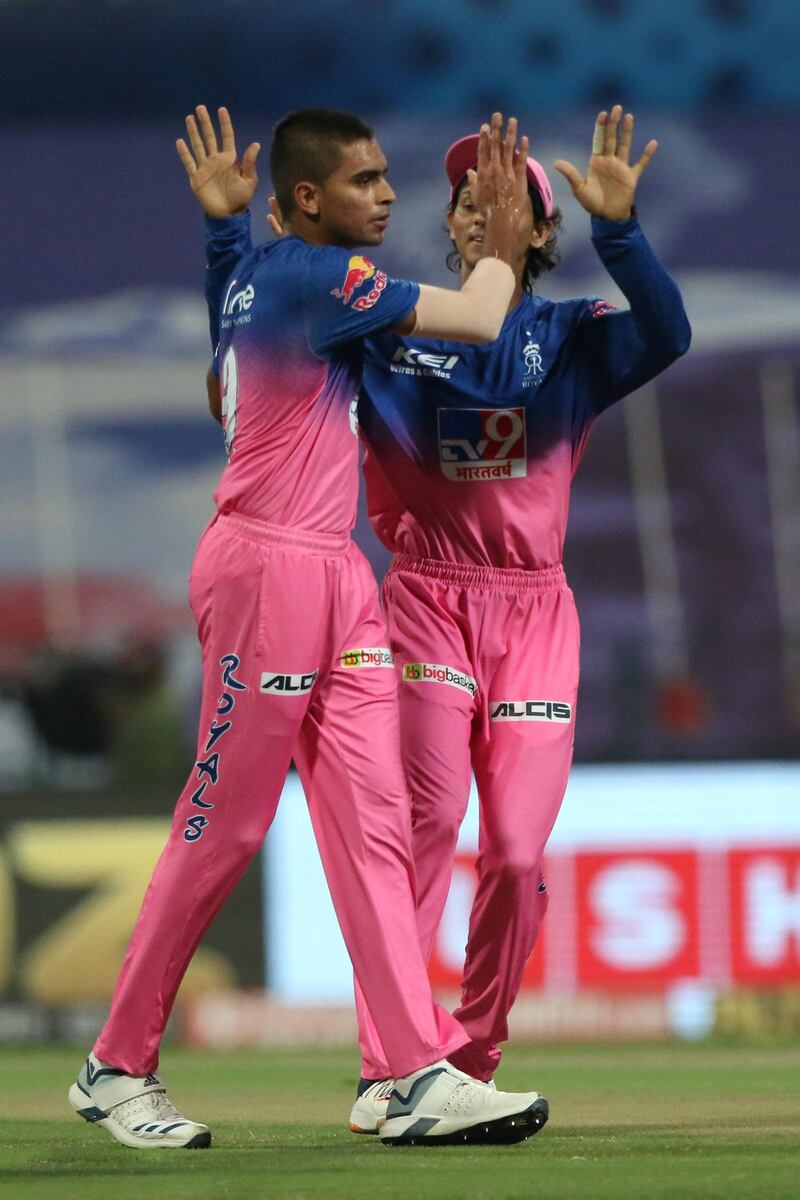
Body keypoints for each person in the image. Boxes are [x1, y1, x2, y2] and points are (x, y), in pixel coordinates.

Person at [68, 105, 553, 1151]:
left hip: (337, 574)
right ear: (304, 200)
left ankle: (409, 1072)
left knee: (376, 827)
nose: (386, 195)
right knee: (227, 825)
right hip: (265, 571)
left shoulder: (257, 271)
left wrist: (215, 236)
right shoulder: (316, 278)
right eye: (365, 180)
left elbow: (223, 351)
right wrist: (506, 241)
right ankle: (115, 1066)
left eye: (384, 179)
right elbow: (476, 318)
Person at [202, 104, 691, 1133]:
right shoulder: (387, 325)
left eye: (503, 199)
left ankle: (467, 1053)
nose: (478, 207)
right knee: (419, 823)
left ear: (535, 233)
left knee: (514, 853)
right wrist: (227, 268)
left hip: (532, 619)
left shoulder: (570, 340)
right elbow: (256, 355)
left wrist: (622, 234)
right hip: (422, 599)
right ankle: (399, 1062)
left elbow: (669, 334)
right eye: (467, 197)